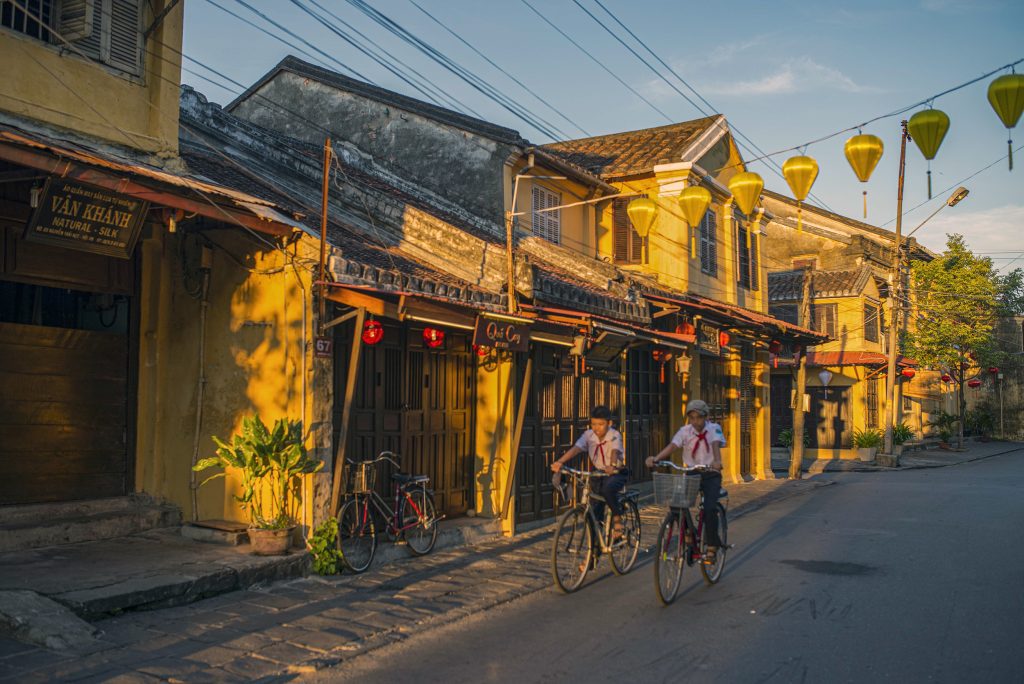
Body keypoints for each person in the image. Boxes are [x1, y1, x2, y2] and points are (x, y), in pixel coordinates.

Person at [645, 399, 725, 563]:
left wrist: (717, 461)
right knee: (676, 504)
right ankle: (689, 533)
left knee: (709, 508)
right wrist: (656, 458)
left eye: (699, 417)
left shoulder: (714, 429)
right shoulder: (685, 431)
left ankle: (712, 546)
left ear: (706, 417)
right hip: (691, 472)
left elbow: (715, 444)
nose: (695, 422)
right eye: (692, 417)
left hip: (711, 473)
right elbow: (673, 446)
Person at [551, 405, 628, 542]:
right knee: (594, 516)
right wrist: (560, 462)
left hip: (616, 473)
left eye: (601, 424)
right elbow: (576, 449)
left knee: (607, 490)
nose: (596, 428)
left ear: (609, 423)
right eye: (593, 424)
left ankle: (617, 520)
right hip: (597, 474)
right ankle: (592, 559)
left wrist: (612, 465)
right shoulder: (588, 435)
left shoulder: (614, 435)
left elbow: (614, 451)